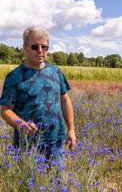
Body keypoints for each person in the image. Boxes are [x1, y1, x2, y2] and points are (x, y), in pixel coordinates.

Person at [0, 26, 76, 174]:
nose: (40, 51)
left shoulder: (55, 72)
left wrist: (71, 129)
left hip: (55, 142)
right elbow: (4, 109)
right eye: (35, 47)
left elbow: (65, 100)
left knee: (59, 183)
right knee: (29, 184)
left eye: (44, 47)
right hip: (27, 144)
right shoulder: (14, 76)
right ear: (25, 48)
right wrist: (20, 124)